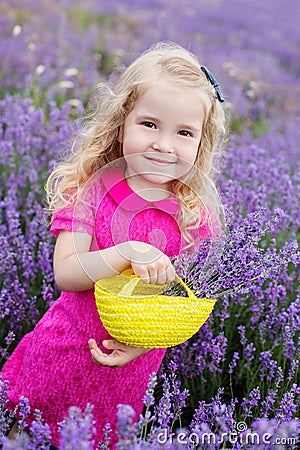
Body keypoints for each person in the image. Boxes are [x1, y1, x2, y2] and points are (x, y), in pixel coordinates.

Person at [2, 42, 227, 448]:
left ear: (200, 142)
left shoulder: (191, 215)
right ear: (123, 122)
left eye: (184, 133)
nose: (164, 144)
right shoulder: (91, 190)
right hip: (66, 356)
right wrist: (127, 251)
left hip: (127, 374)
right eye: (150, 124)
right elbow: (67, 274)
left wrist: (142, 347)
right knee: (27, 437)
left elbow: (183, 304)